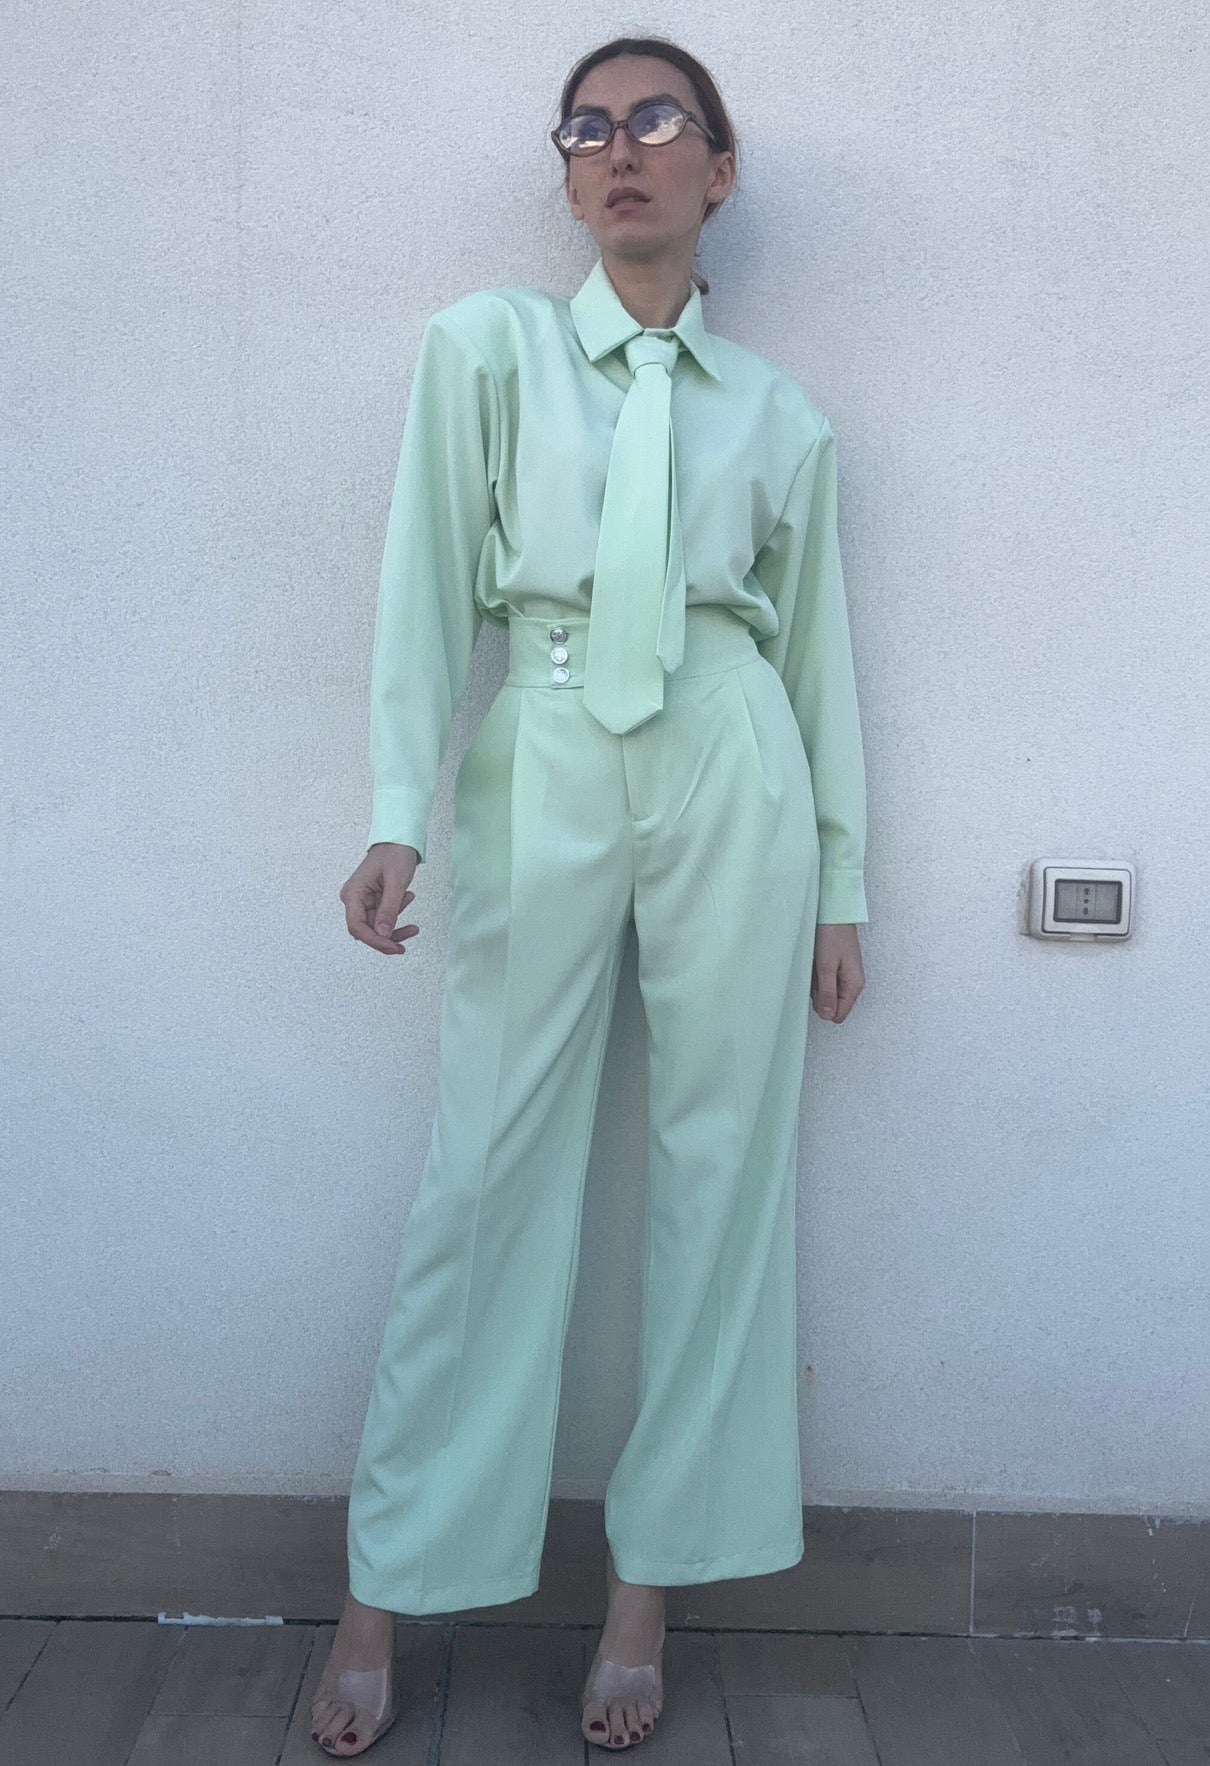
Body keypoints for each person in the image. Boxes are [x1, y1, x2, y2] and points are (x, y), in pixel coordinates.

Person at [310, 33, 869, 1759]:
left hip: (729, 749)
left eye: (657, 121)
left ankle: (645, 1592)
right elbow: (425, 584)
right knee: (487, 1169)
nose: (619, 149)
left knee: (721, 1175)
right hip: (544, 738)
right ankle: (384, 1584)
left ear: (719, 170)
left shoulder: (780, 415)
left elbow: (818, 658)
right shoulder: (486, 349)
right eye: (586, 129)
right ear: (564, 178)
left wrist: (840, 876)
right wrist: (397, 809)